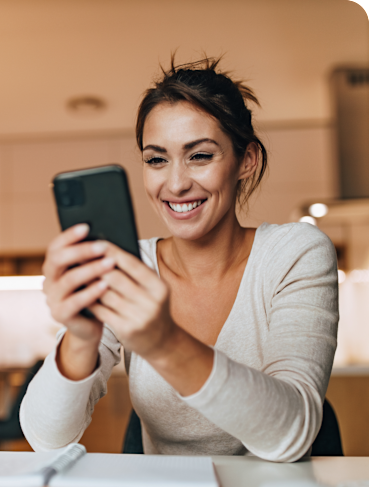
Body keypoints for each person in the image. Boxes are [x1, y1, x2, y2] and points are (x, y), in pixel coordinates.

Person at [19, 56, 338, 463]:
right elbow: (46, 439)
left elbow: (290, 436)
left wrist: (163, 342)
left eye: (200, 156)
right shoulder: (128, 266)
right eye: (157, 159)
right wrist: (82, 337)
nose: (176, 183)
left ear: (247, 161)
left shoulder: (295, 253)